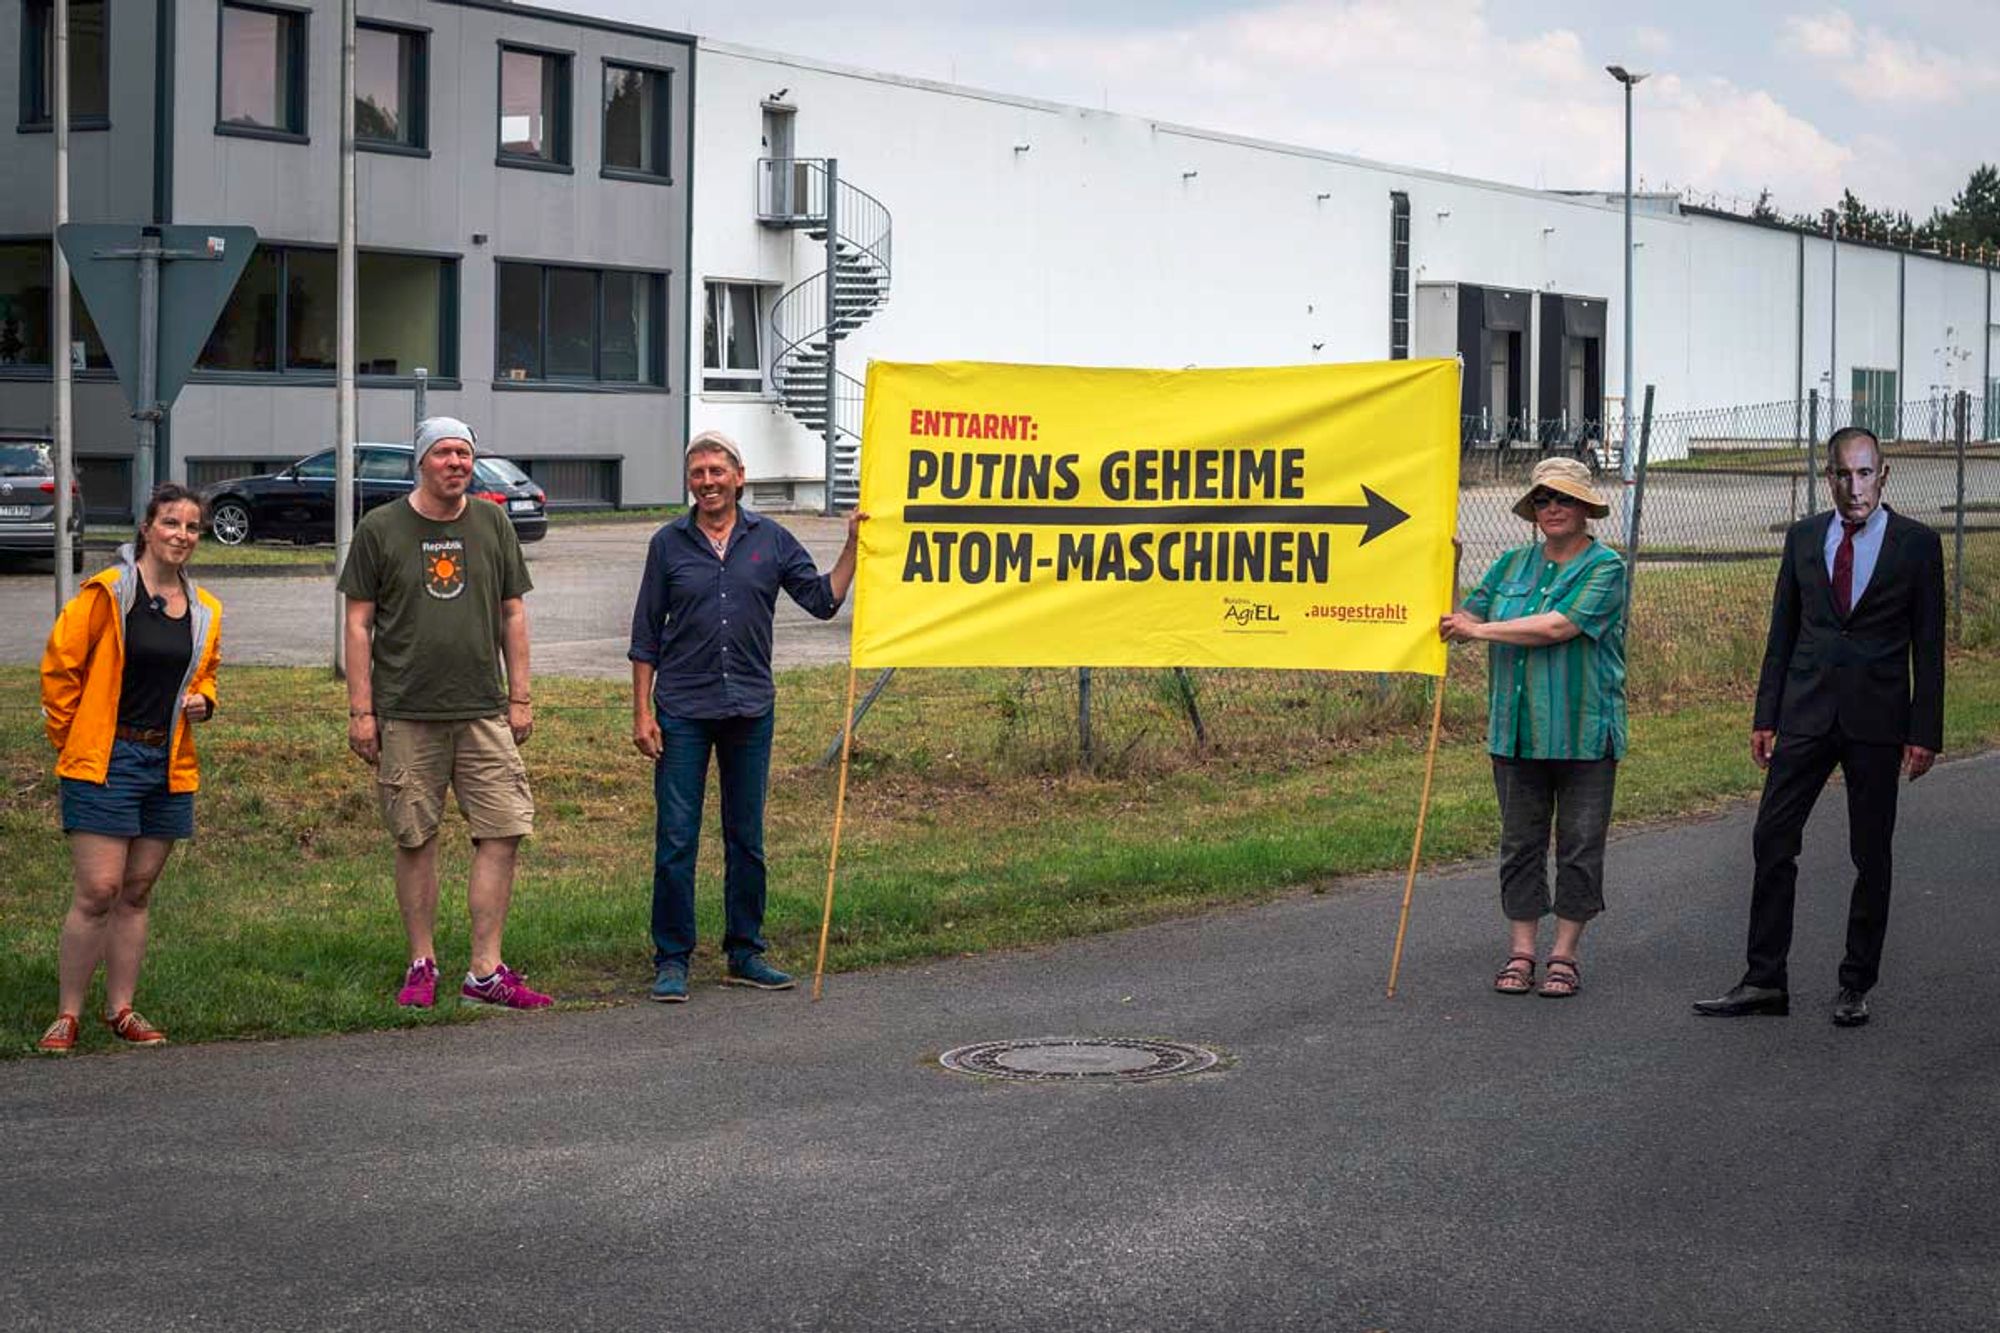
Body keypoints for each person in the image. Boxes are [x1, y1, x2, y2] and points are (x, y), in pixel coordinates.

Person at [1694, 427, 1944, 1027]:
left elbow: (1929, 648)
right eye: (1842, 474)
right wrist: (1766, 713)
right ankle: (1763, 980)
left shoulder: (1917, 544)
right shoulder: (1805, 538)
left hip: (1877, 720)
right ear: (1826, 476)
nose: (1853, 487)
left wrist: (1925, 730)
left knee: (1870, 854)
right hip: (1805, 713)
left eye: (1865, 474)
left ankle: (1855, 984)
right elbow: (1782, 632)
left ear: (1884, 476)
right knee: (1772, 838)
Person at [628, 430, 860, 1001]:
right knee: (676, 839)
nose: (707, 481)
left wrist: (854, 544)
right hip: (682, 709)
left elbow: (823, 600)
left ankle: (745, 951)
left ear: (739, 475)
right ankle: (673, 958)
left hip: (750, 709)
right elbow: (644, 636)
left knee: (746, 837)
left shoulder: (772, 540)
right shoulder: (668, 545)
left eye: (716, 471)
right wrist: (642, 713)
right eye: (697, 472)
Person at [339, 417, 552, 1011]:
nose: (456, 462)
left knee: (503, 832)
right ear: (421, 461)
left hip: (484, 710)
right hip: (406, 713)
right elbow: (358, 623)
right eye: (444, 453)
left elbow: (513, 613)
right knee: (415, 838)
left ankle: (485, 970)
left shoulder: (492, 522)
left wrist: (520, 696)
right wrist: (362, 711)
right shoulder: (381, 528)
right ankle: (422, 962)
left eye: (464, 453)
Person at [36, 485, 222, 1054]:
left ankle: (121, 1008)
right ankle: (67, 1014)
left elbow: (204, 674)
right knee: (99, 889)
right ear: (146, 528)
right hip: (104, 759)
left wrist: (205, 701)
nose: (181, 536)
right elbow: (59, 672)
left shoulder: (204, 610)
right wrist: (75, 742)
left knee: (137, 890)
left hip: (166, 763)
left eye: (192, 527)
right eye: (171, 523)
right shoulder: (106, 594)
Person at [1440, 456, 1627, 1000]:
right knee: (1520, 845)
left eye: (1564, 499)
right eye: (1544, 500)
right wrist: (1448, 566)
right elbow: (1464, 619)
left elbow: (1557, 627)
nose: (1553, 509)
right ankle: (1521, 950)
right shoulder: (1509, 565)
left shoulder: (1605, 568)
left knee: (1579, 845)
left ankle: (1564, 953)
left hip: (1583, 732)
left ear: (1585, 507)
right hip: (1515, 733)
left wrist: (1483, 632)